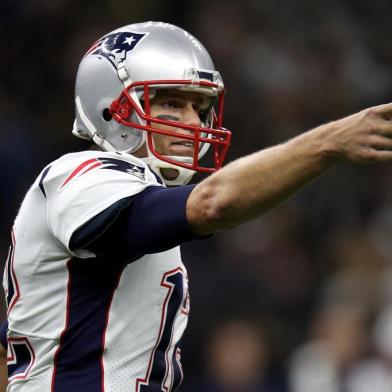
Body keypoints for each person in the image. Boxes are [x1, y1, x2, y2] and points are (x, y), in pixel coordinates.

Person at [4, 20, 392, 391]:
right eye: (172, 104)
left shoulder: (122, 193)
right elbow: (212, 204)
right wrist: (328, 143)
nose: (192, 122)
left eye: (199, 107)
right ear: (110, 108)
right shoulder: (82, 174)